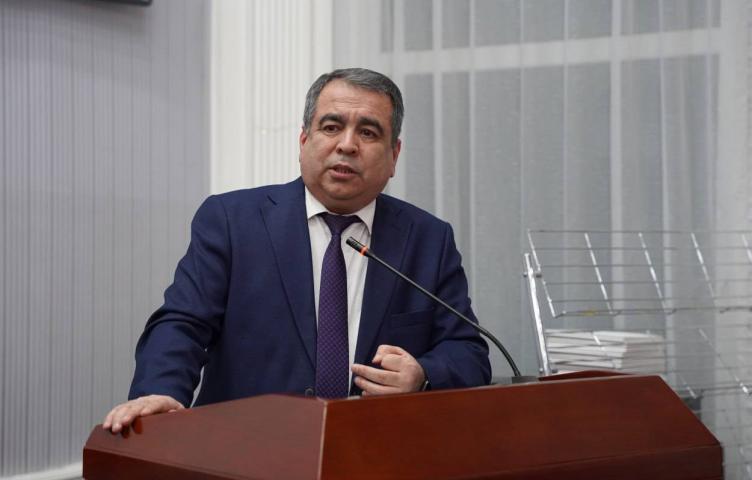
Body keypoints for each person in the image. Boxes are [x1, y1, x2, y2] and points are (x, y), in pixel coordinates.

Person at [103, 68, 491, 433]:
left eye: (368, 132)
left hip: (372, 453)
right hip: (246, 449)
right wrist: (162, 390)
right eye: (331, 127)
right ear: (304, 141)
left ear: (394, 156)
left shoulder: (428, 238)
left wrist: (422, 374)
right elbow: (183, 323)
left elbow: (468, 351)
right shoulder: (232, 220)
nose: (347, 145)